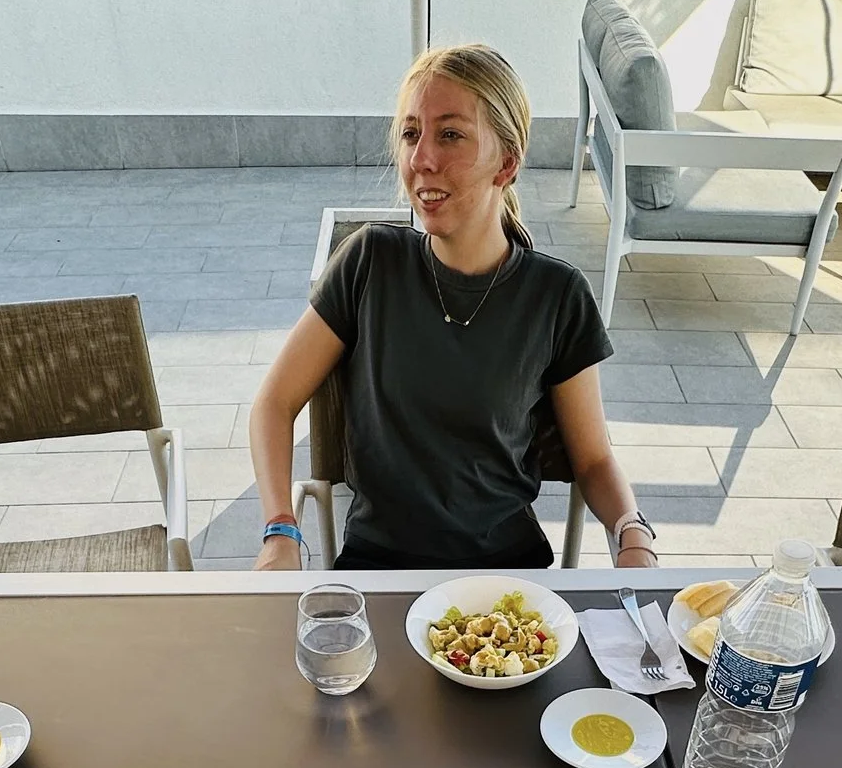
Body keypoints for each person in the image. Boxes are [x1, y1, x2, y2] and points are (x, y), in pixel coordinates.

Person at [249, 43, 662, 573]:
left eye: (450, 134)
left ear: (506, 163)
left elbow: (595, 458)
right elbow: (274, 403)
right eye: (410, 133)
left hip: (507, 578)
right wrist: (280, 529)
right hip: (379, 568)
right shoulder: (370, 262)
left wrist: (632, 531)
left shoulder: (556, 296)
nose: (421, 158)